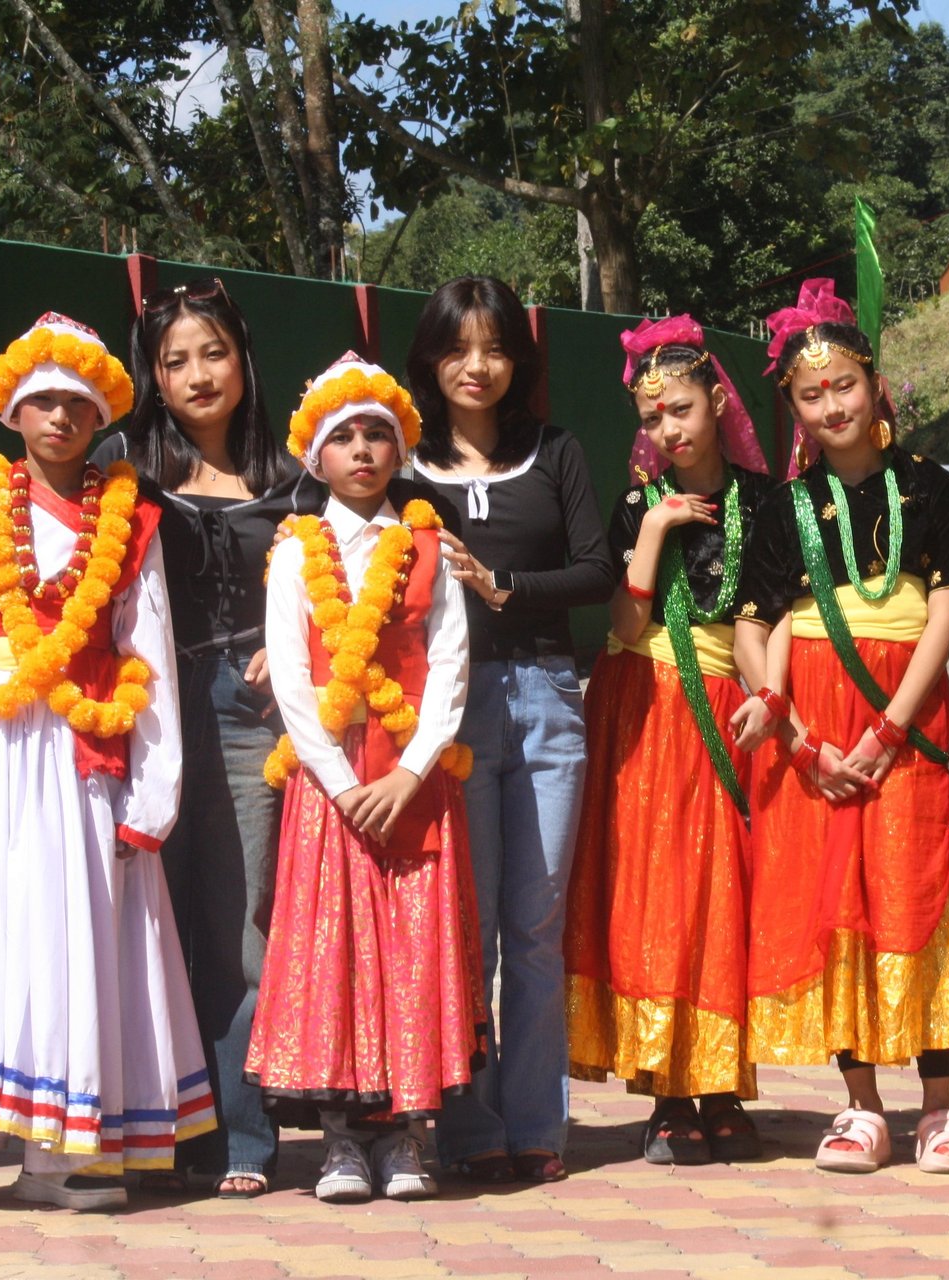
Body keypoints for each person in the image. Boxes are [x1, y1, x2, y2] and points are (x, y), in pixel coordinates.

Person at [0, 313, 210, 1214]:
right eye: (42, 402)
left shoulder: (130, 521)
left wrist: (154, 791)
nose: (60, 417)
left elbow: (151, 657)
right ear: (13, 416)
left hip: (83, 761)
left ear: (102, 413)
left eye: (77, 402)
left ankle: (64, 1154)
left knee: (77, 934)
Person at [732, 279, 949, 1177]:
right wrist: (796, 733)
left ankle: (941, 1107)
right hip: (815, 724)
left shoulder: (928, 490)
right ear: (794, 410)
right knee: (835, 901)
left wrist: (890, 729)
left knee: (917, 890)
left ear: (875, 383)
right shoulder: (782, 506)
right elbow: (753, 623)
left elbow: (948, 603)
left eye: (844, 384)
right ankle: (861, 1105)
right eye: (812, 395)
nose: (832, 404)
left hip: (904, 714)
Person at [248, 355, 485, 1205]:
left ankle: (406, 1138)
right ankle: (343, 1140)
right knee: (339, 952)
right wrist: (344, 781)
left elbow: (453, 664)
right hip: (332, 785)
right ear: (313, 455)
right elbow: (290, 675)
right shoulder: (293, 552)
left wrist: (415, 769)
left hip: (417, 779)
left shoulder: (428, 545)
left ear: (401, 448)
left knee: (410, 950)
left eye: (376, 434)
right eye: (341, 436)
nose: (361, 450)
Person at [408, 277, 617, 1185]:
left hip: (544, 695)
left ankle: (537, 1125)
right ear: (431, 360)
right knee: (465, 926)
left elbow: (596, 572)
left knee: (533, 926)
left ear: (518, 361)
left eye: (494, 348)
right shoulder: (400, 453)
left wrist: (503, 591)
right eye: (458, 349)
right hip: (439, 711)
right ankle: (466, 1125)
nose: (477, 366)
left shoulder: (557, 450)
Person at [95, 278, 294, 1199]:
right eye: (175, 361)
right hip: (147, 706)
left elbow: (347, 577)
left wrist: (295, 654)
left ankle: (243, 1134)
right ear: (154, 378)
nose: (198, 374)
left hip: (252, 711)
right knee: (148, 915)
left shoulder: (296, 472)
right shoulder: (121, 465)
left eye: (213, 352)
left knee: (240, 921)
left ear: (244, 360)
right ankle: (153, 1127)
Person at [563, 316, 774, 1165]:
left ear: (718, 401)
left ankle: (722, 1082)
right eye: (653, 419)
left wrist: (769, 693)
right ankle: (666, 1092)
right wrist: (650, 536)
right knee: (652, 892)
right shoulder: (632, 506)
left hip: (727, 706)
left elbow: (777, 612)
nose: (669, 430)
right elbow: (622, 622)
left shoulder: (766, 503)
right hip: (642, 705)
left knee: (723, 890)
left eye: (681, 409)